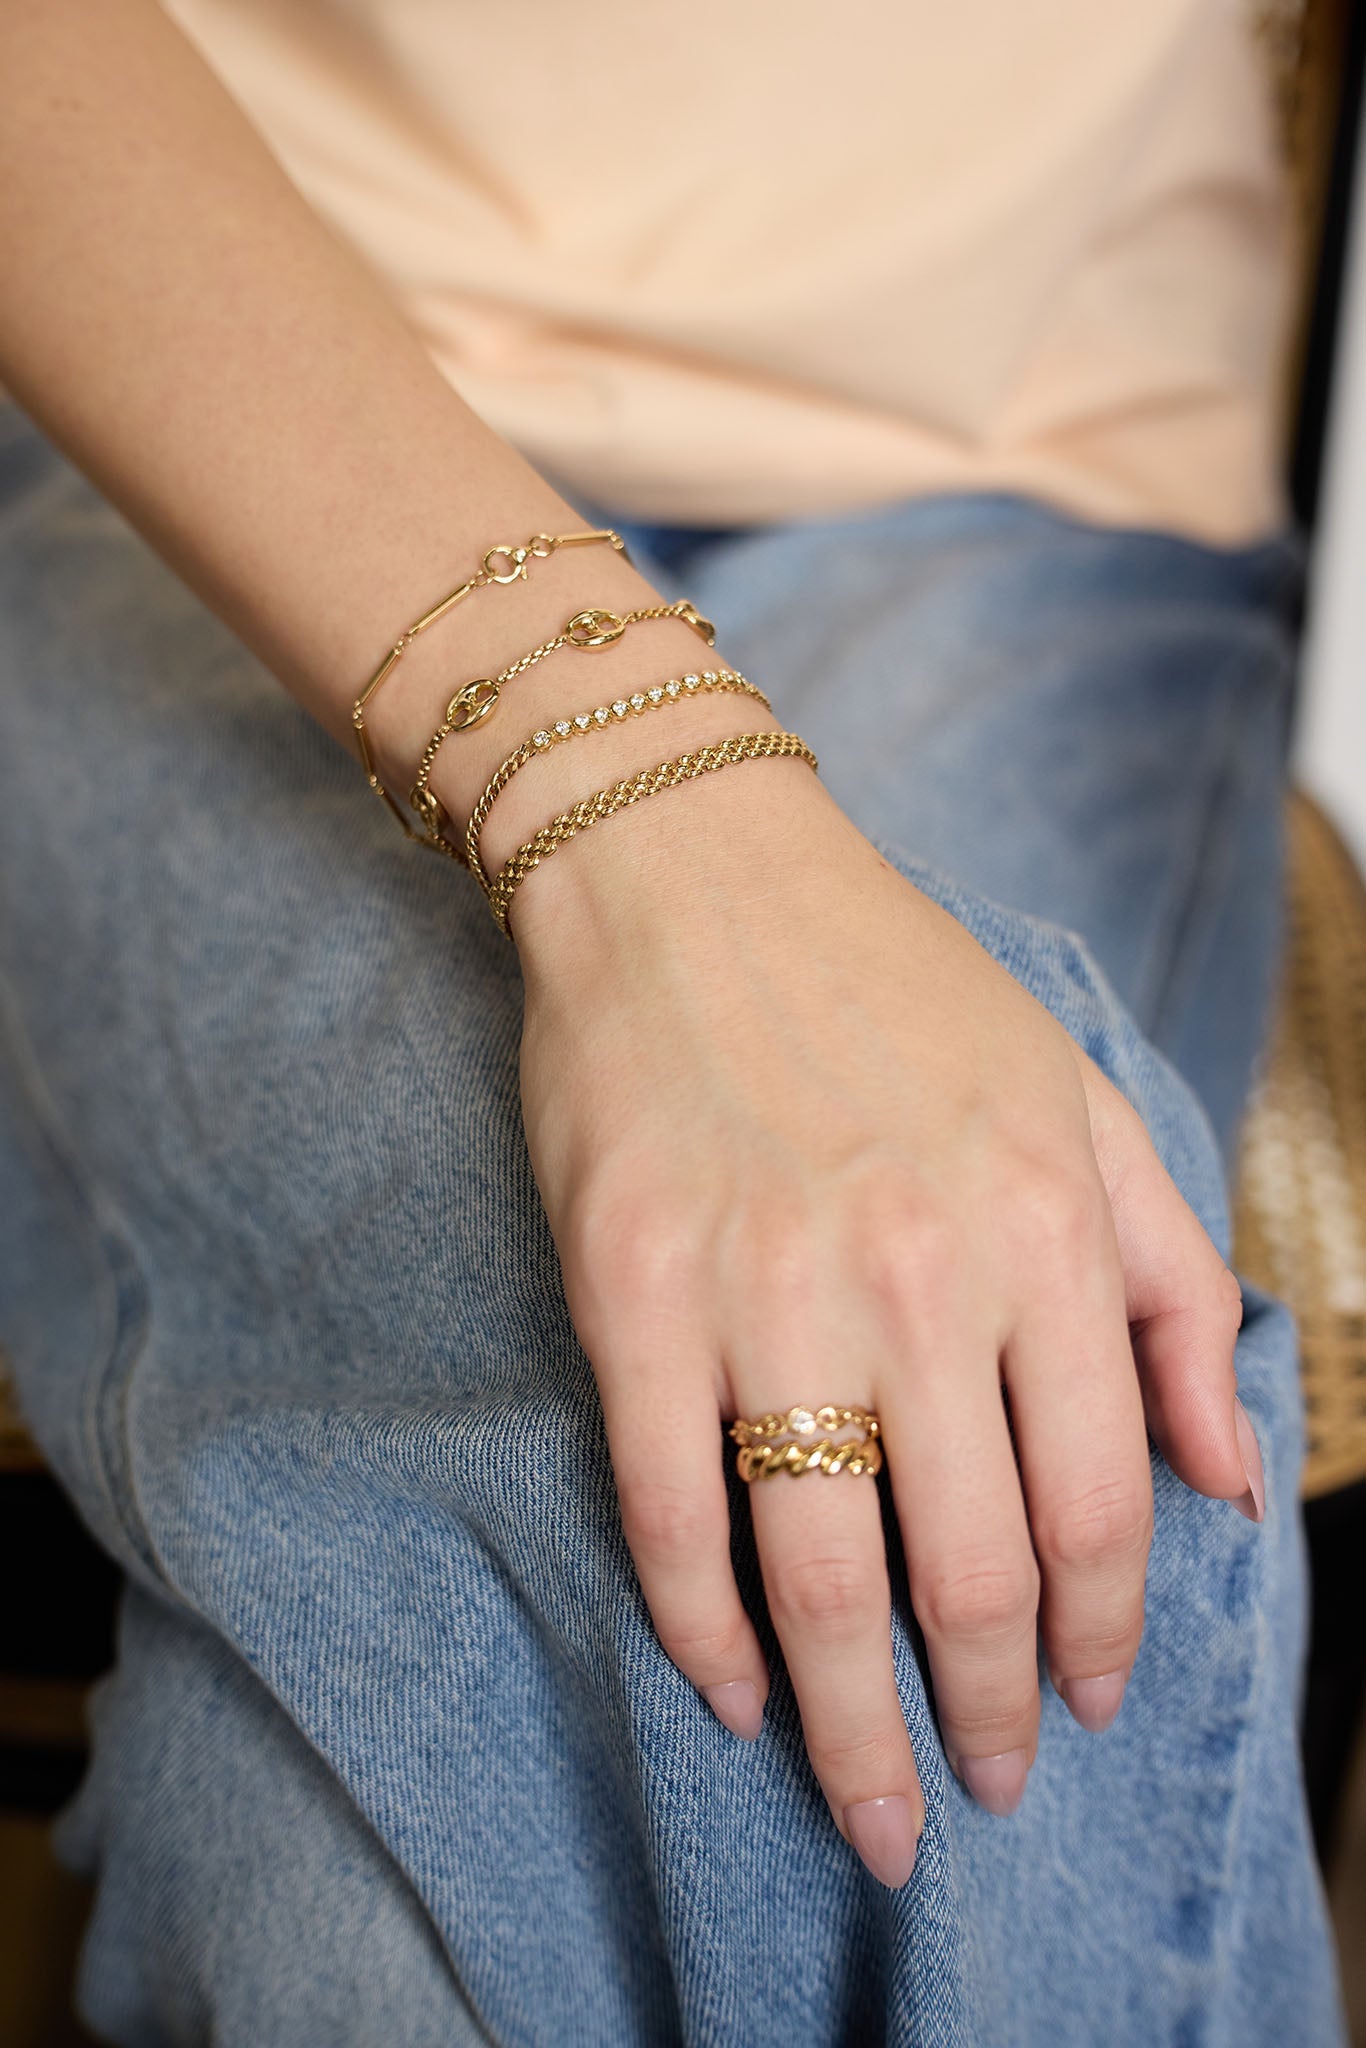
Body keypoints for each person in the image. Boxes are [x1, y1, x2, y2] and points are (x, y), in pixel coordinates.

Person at [0, 1, 1348, 2041]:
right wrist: (637, 806)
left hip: (1012, 448)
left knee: (949, 1378)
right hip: (160, 378)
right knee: (833, 1393)